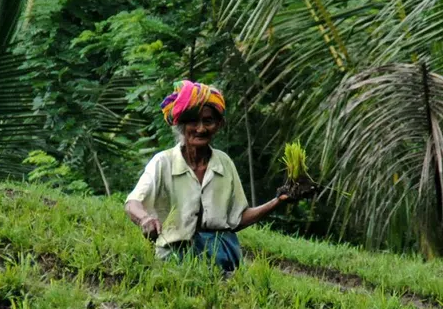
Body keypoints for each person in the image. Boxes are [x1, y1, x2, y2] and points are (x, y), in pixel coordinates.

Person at [125, 79, 311, 272]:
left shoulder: (224, 163)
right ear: (181, 124)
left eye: (208, 121)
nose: (200, 128)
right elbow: (133, 203)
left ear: (218, 124)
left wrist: (278, 201)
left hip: (223, 259)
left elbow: (237, 218)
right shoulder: (163, 162)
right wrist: (145, 220)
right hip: (174, 257)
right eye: (193, 122)